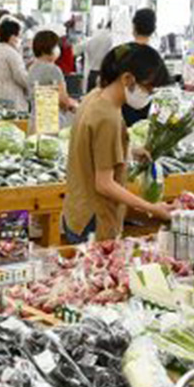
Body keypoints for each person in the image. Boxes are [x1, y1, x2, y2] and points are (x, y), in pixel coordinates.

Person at [62, 43, 174, 244]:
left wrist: (127, 151)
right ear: (127, 79)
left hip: (76, 210)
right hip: (94, 220)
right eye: (148, 87)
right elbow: (104, 184)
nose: (150, 94)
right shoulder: (108, 117)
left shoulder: (94, 97)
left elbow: (92, 147)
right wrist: (152, 208)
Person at [28, 30, 79, 131]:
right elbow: (63, 100)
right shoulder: (53, 69)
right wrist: (75, 105)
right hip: (51, 121)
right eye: (56, 46)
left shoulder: (32, 67)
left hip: (35, 119)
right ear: (49, 47)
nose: (58, 49)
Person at [0, 19, 30, 112]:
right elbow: (21, 77)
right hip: (9, 101)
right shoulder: (12, 54)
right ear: (12, 37)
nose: (20, 39)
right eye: (19, 35)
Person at [122, 9, 160, 127]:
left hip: (125, 105)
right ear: (153, 29)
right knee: (140, 137)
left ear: (134, 27)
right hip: (145, 105)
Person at [80, 22, 114, 92]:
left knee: (90, 99)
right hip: (106, 74)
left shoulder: (94, 37)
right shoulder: (112, 39)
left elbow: (78, 49)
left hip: (92, 73)